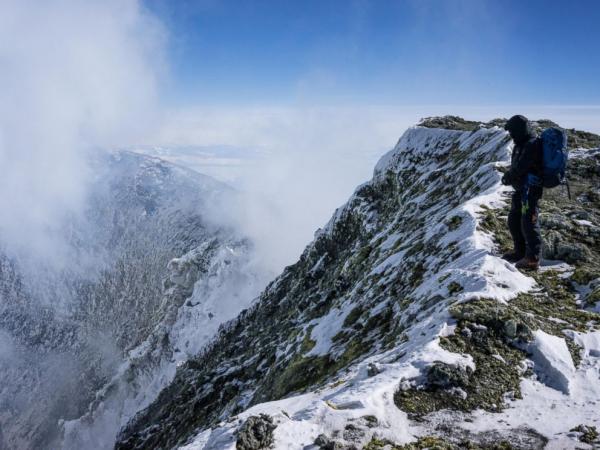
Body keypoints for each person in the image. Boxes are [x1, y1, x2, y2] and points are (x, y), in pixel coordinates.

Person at [501, 115, 543, 270]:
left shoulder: (532, 144)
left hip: (530, 190)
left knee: (529, 222)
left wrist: (508, 176)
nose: (510, 134)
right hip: (521, 189)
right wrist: (510, 176)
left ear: (519, 130)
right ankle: (520, 252)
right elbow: (517, 166)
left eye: (512, 131)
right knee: (514, 219)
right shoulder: (521, 143)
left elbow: (522, 167)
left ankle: (533, 258)